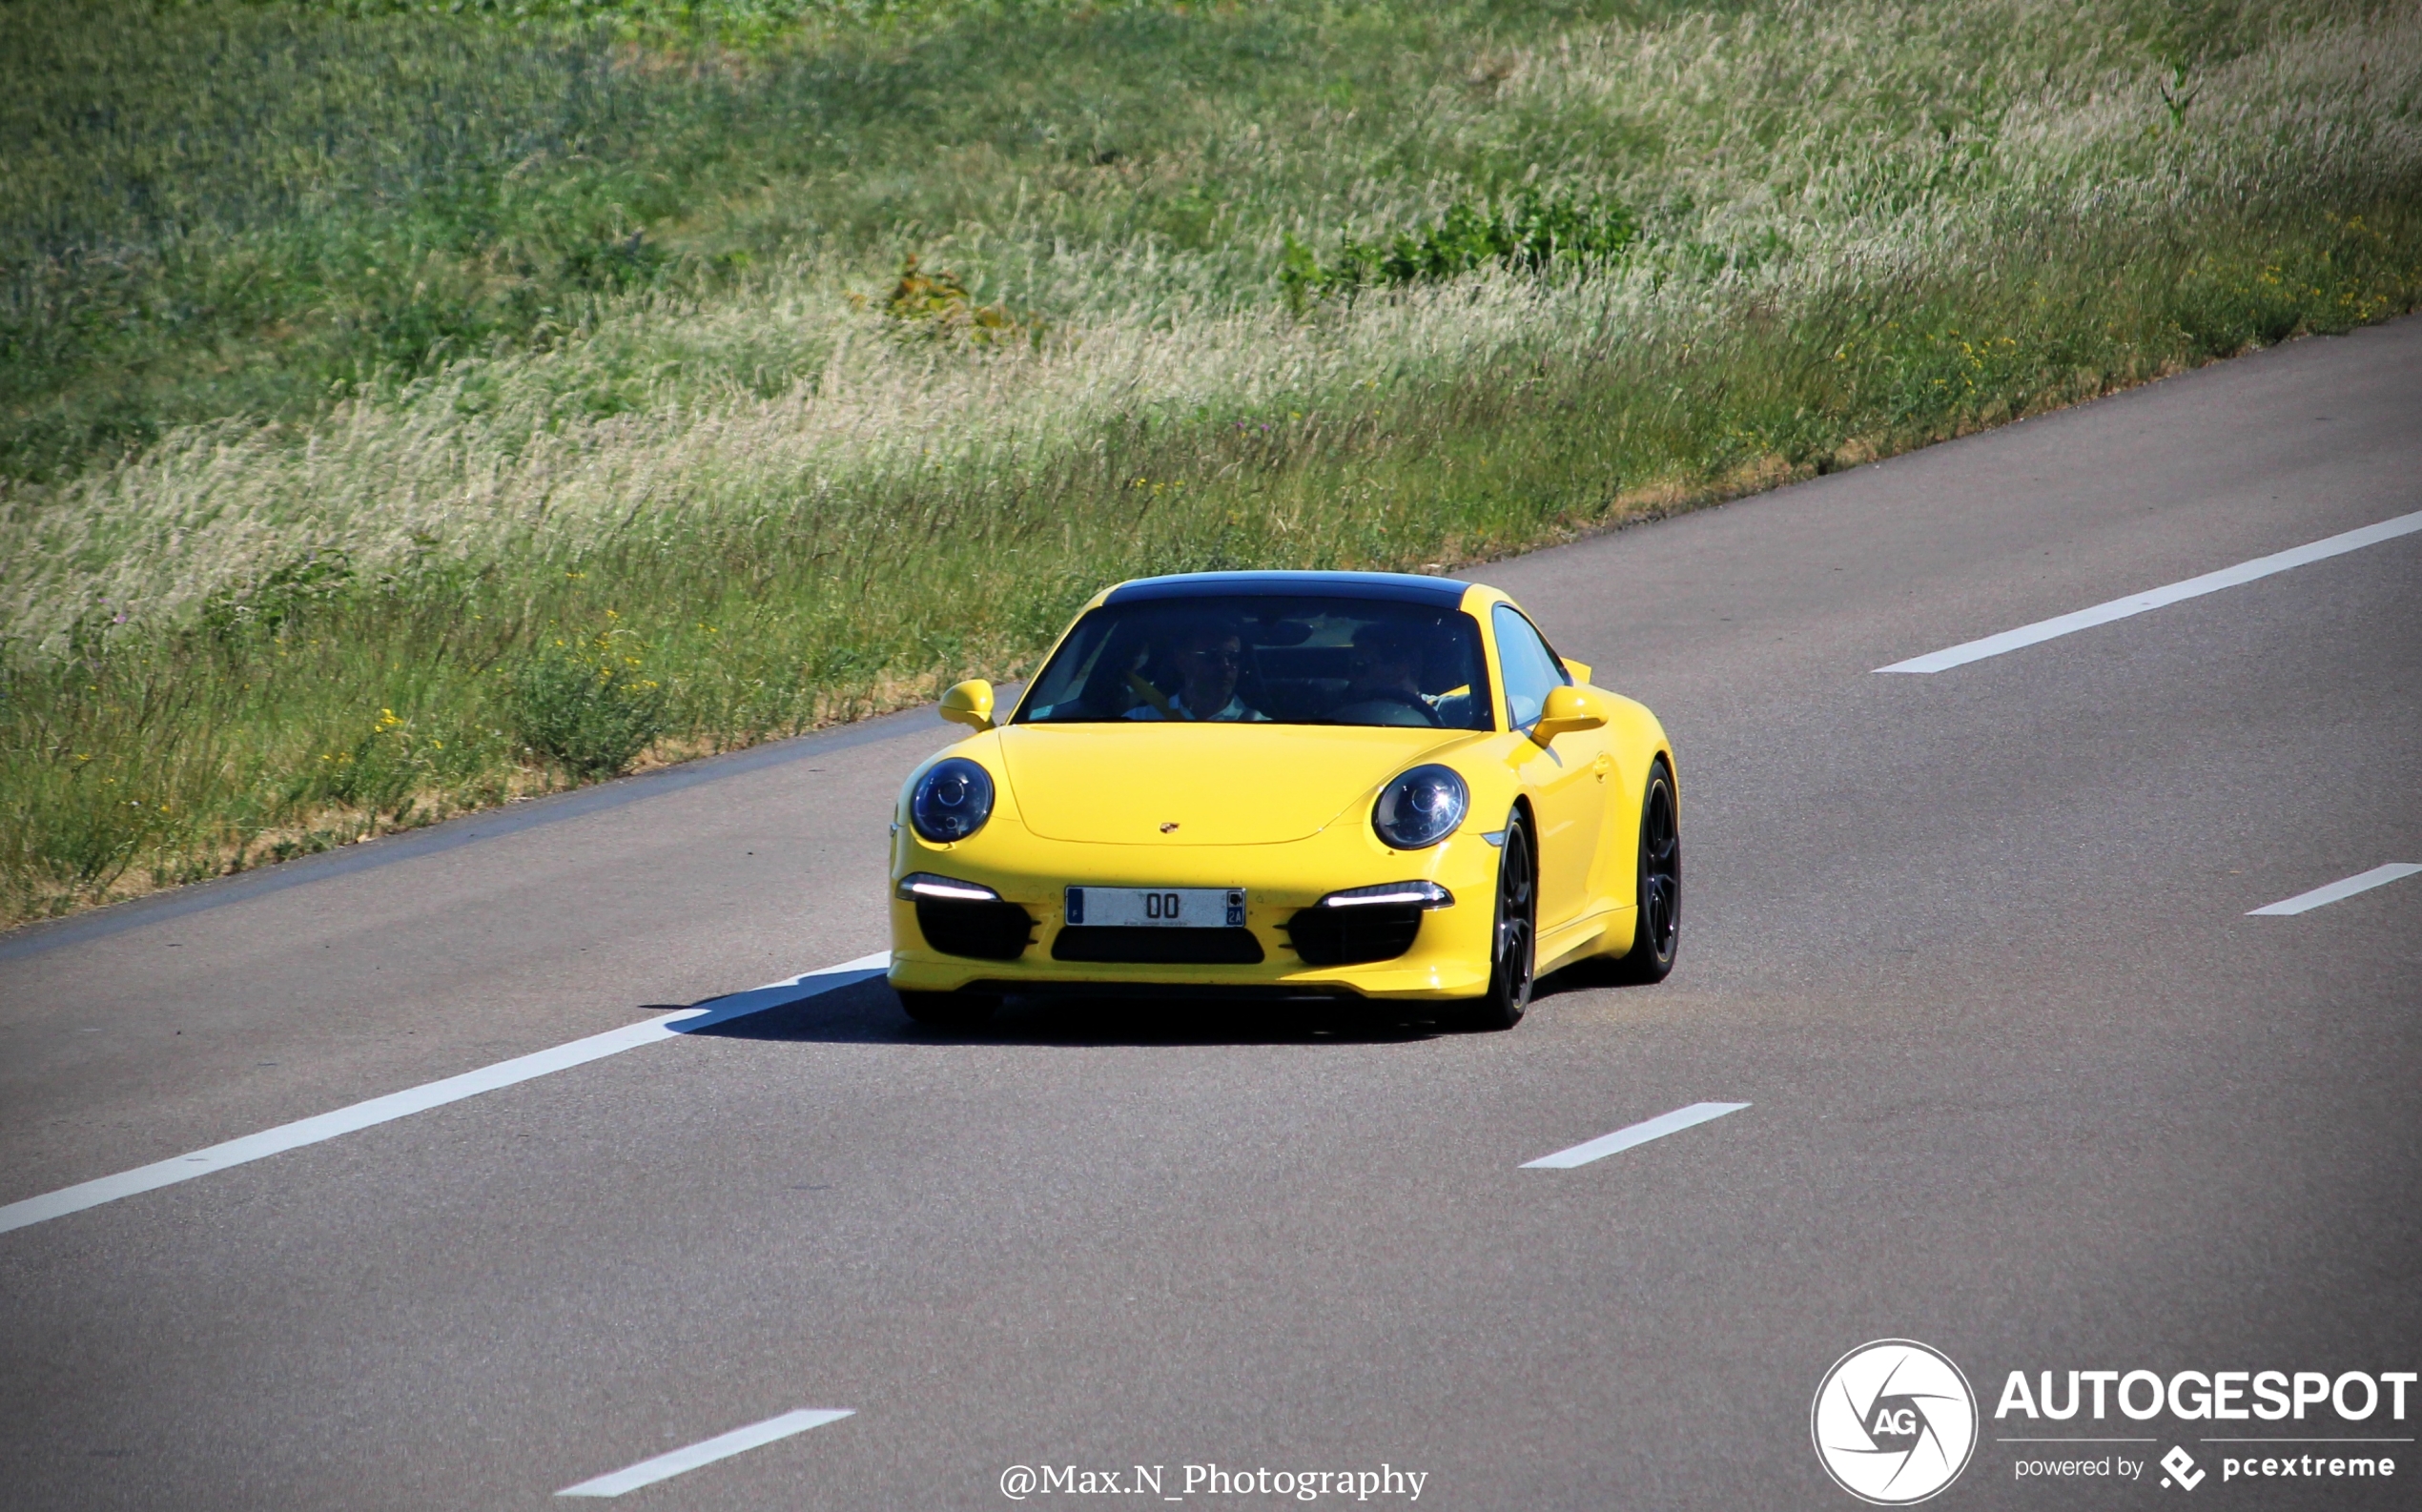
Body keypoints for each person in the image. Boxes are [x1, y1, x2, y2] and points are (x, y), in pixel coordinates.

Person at [1125, 619, 1269, 722]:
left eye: (1233, 657)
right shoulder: (1136, 722)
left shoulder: (1265, 730)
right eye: (1212, 656)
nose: (1225, 665)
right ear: (1182, 661)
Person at [1329, 620, 1442, 725]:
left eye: (1360, 666)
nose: (1350, 677)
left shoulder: (1447, 712)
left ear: (1398, 670)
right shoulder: (1336, 713)